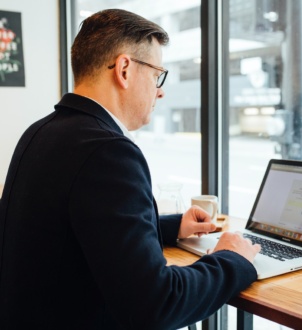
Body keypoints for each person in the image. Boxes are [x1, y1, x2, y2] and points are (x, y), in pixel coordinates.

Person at [0, 9, 260, 330]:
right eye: (156, 75)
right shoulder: (107, 151)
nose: (160, 90)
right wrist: (231, 258)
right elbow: (156, 305)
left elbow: (81, 229)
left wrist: (172, 226)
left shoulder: (39, 133)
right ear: (124, 69)